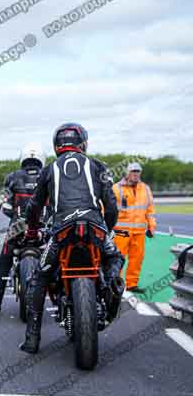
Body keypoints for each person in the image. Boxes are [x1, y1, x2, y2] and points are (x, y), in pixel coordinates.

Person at [21, 123, 124, 354]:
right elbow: (111, 206)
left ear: (57, 145)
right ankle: (112, 287)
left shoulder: (48, 170)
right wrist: (106, 230)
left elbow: (34, 208)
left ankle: (32, 339)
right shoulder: (98, 166)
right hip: (95, 229)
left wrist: (30, 232)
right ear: (83, 143)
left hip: (61, 232)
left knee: (40, 277)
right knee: (114, 257)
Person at [0, 142, 46, 316]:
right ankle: (65, 303)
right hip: (44, 227)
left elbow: (5, 206)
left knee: (3, 261)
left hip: (17, 227)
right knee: (58, 260)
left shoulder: (12, 177)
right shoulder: (48, 175)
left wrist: (16, 217)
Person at [112, 163, 157, 293]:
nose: (135, 174)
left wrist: (151, 225)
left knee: (137, 259)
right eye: (133, 171)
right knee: (117, 259)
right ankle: (115, 284)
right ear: (127, 173)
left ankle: (132, 284)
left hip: (139, 232)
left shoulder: (146, 189)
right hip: (121, 232)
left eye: (138, 171)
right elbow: (108, 208)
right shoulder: (116, 188)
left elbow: (150, 209)